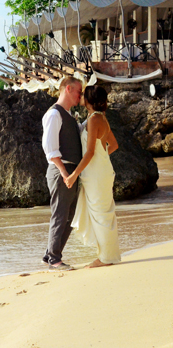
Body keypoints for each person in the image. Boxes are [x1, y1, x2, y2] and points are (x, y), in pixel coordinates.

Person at [64, 86, 121, 268]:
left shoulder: (95, 119)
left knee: (101, 214)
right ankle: (107, 255)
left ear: (88, 101)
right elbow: (112, 145)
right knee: (102, 213)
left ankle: (105, 258)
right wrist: (101, 157)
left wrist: (74, 174)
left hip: (96, 174)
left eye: (84, 95)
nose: (81, 97)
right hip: (100, 171)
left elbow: (89, 153)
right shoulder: (98, 118)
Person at [41, 76, 83, 271]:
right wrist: (65, 173)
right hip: (62, 171)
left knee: (69, 214)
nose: (80, 96)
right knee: (60, 213)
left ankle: (51, 254)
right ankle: (54, 259)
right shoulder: (54, 114)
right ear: (68, 89)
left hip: (70, 170)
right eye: (78, 92)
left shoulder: (67, 114)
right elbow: (50, 148)